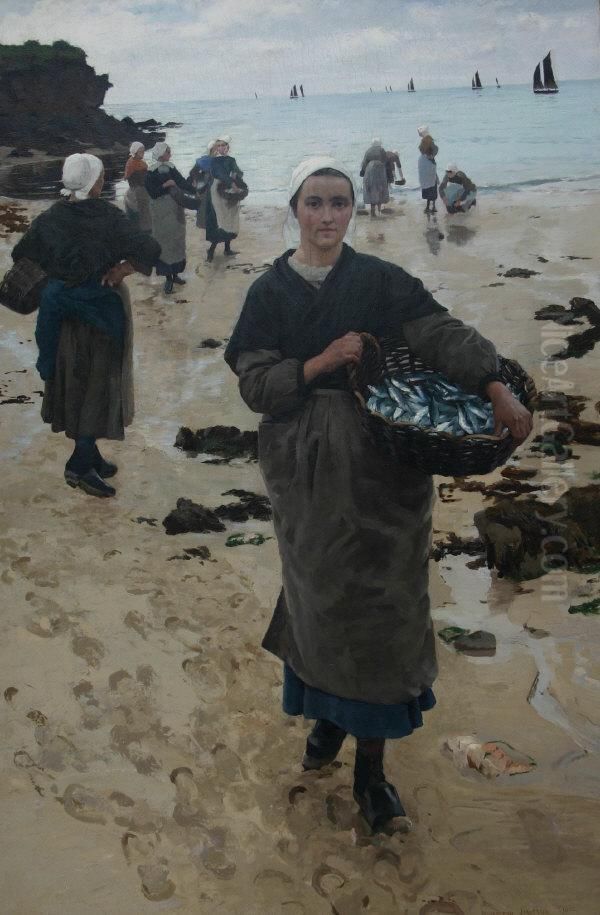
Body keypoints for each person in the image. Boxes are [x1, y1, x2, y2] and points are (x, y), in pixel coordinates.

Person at [224, 156, 533, 833]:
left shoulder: (381, 281)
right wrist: (318, 363)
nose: (328, 215)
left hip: (385, 461)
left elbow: (439, 334)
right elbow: (255, 385)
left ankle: (371, 767)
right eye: (315, 202)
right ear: (294, 208)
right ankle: (327, 722)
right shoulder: (270, 292)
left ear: (353, 210)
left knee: (388, 602)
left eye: (339, 202)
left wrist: (495, 385)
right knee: (321, 593)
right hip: (303, 463)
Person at [11, 153, 160, 497]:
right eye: (99, 176)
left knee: (73, 384)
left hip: (62, 318)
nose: (103, 180)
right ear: (94, 182)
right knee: (96, 387)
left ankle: (89, 453)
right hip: (100, 315)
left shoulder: (51, 219)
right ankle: (78, 465)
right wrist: (122, 269)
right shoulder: (108, 216)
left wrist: (58, 279)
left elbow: (21, 254)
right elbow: (150, 247)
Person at [144, 142, 199, 294]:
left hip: (175, 208)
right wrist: (166, 185)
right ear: (162, 154)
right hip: (160, 211)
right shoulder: (151, 172)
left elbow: (181, 182)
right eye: (169, 152)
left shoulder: (171, 167)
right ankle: (168, 278)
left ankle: (175, 275)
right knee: (164, 242)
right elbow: (152, 192)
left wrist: (196, 190)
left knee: (177, 240)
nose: (170, 154)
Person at [204, 136, 246, 263]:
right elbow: (219, 174)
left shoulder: (231, 159)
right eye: (219, 146)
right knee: (220, 220)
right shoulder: (214, 161)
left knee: (231, 218)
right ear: (216, 148)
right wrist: (232, 183)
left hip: (229, 189)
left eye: (224, 145)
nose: (222, 148)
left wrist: (236, 174)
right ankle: (211, 250)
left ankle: (227, 248)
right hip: (217, 190)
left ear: (228, 147)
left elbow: (239, 172)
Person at [123, 141, 152, 233]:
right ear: (135, 152)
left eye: (143, 151)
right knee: (141, 211)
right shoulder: (131, 163)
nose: (143, 153)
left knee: (145, 211)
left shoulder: (141, 162)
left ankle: (145, 228)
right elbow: (128, 177)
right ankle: (144, 229)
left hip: (141, 189)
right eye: (141, 151)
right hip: (137, 190)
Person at [359, 138, 389, 217]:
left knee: (372, 189)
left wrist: (362, 172)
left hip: (370, 170)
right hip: (380, 170)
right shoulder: (382, 150)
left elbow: (364, 163)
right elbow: (386, 161)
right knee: (380, 189)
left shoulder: (368, 151)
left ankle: (372, 211)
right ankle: (379, 210)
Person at [418, 136, 439, 215]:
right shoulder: (431, 150)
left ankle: (427, 207)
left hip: (424, 166)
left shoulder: (422, 151)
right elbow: (436, 149)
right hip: (430, 167)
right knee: (433, 187)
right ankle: (433, 206)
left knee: (427, 187)